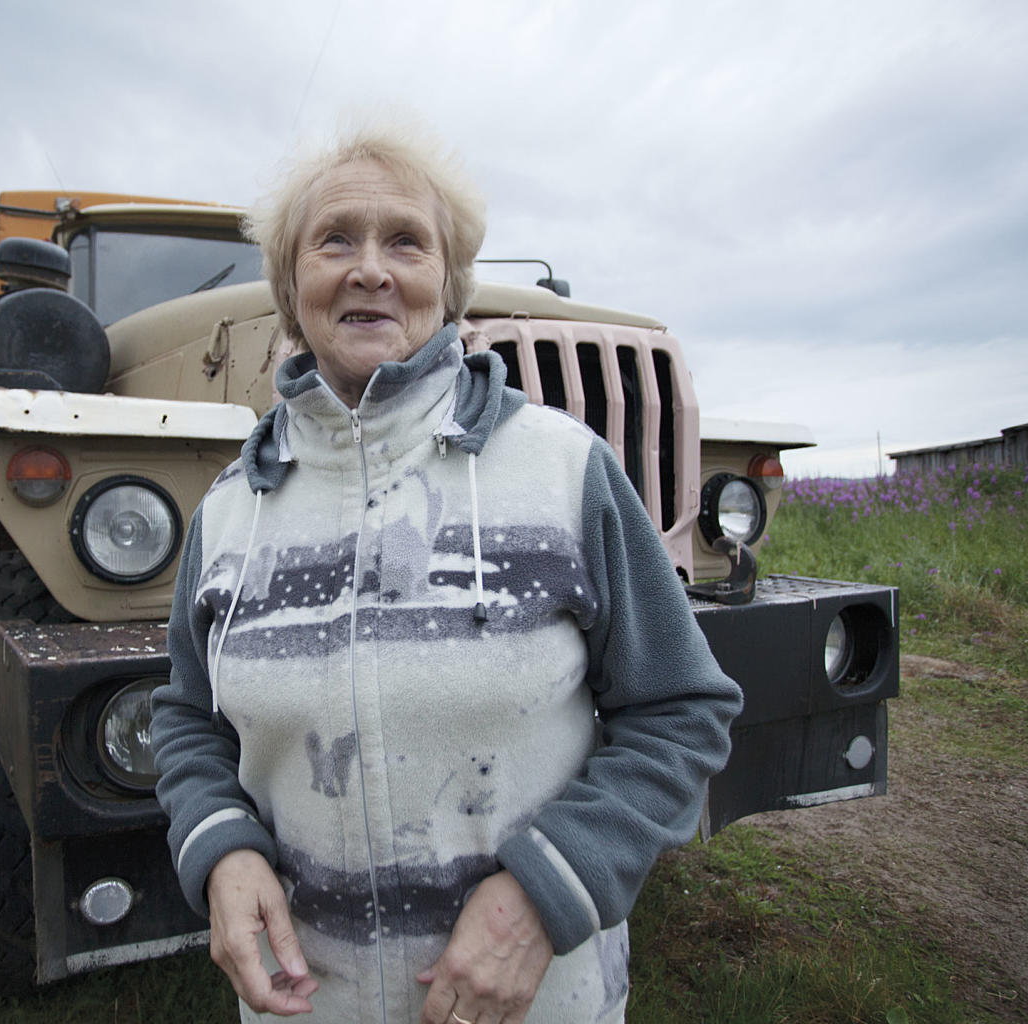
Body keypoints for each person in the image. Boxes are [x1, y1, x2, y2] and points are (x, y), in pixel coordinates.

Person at [149, 126, 745, 1024]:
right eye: (335, 239)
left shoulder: (564, 471)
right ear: (290, 287)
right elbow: (188, 720)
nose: (370, 269)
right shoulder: (230, 510)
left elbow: (680, 710)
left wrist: (553, 888)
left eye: (406, 242)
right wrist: (221, 847)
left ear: (449, 285)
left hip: (536, 1000)